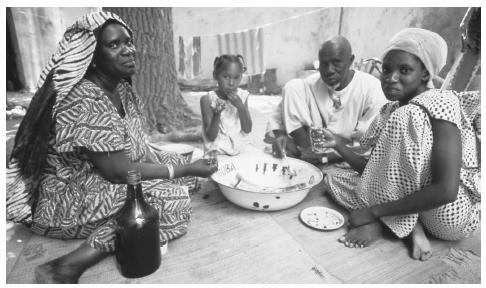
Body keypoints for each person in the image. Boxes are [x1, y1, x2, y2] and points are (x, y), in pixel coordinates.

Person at [6, 12, 217, 283]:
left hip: (102, 177)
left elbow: (135, 146)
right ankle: (68, 265)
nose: (129, 50)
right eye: (114, 45)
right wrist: (183, 169)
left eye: (128, 42)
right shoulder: (83, 99)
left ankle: (139, 215)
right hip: (68, 198)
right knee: (170, 201)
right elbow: (119, 172)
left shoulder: (122, 90)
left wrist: (181, 164)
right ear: (91, 55)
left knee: (184, 176)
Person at [319, 28, 480, 261]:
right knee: (334, 176)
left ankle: (387, 222)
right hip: (416, 200)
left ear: (425, 74)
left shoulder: (440, 102)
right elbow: (380, 173)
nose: (390, 77)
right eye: (386, 69)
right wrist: (338, 145)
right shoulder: (391, 109)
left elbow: (447, 190)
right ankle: (411, 228)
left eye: (404, 70)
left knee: (406, 115)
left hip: (449, 214)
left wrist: (372, 211)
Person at [266, 36, 387, 168]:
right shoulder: (310, 84)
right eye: (324, 63)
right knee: (292, 86)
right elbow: (277, 117)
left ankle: (317, 160)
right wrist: (279, 135)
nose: (329, 70)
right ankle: (308, 154)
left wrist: (331, 152)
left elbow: (367, 149)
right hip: (311, 149)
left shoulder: (372, 90)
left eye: (336, 62)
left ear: (351, 60)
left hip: (347, 156)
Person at [200, 54, 253, 156]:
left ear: (241, 77)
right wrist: (217, 114)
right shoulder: (207, 99)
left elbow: (247, 129)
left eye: (236, 77)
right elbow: (211, 137)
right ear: (215, 75)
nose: (232, 83)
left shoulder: (242, 96)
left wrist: (240, 107)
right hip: (217, 152)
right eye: (226, 77)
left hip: (239, 150)